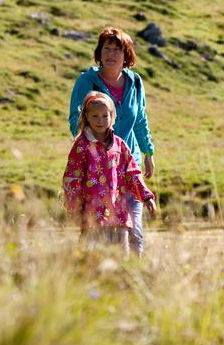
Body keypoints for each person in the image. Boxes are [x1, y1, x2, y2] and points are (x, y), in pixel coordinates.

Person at [68, 27, 156, 254]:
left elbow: (140, 120)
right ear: (99, 52)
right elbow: (74, 120)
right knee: (98, 236)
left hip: (128, 165)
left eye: (117, 50)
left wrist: (148, 152)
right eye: (106, 48)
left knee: (135, 233)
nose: (111, 54)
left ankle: (134, 280)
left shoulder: (135, 82)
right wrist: (96, 143)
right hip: (97, 171)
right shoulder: (87, 81)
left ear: (126, 55)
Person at [62, 91, 156, 249]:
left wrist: (146, 196)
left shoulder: (119, 145)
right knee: (92, 262)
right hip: (91, 218)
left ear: (112, 117)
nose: (100, 120)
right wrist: (74, 208)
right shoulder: (81, 147)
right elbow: (71, 180)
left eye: (104, 116)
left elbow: (132, 173)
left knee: (120, 260)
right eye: (95, 116)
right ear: (86, 116)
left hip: (118, 215)